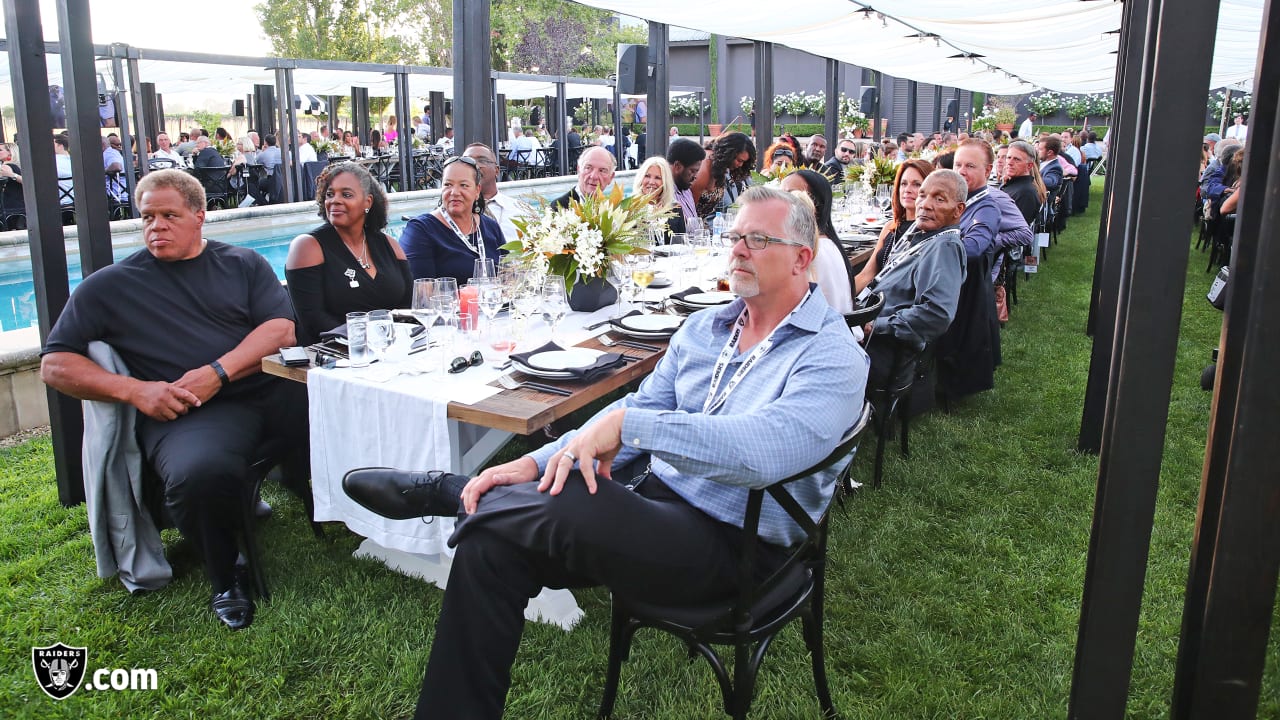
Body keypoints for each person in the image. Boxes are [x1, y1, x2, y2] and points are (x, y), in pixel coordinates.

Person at [343, 184, 867, 719]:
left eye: (756, 239)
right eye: (735, 236)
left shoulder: (831, 356)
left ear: (803, 258)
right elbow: (639, 405)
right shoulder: (708, 327)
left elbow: (762, 454)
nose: (736, 249)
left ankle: (450, 491)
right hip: (654, 506)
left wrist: (632, 426)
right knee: (491, 546)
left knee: (575, 501)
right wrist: (532, 462)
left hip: (739, 548)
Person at [39, 169, 307, 630]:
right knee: (199, 473)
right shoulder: (110, 286)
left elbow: (280, 330)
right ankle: (226, 574)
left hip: (269, 389)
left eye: (168, 215)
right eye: (146, 217)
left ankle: (369, 517)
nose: (155, 226)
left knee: (355, 409)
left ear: (200, 216)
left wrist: (217, 372)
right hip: (192, 413)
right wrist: (135, 390)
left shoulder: (243, 264)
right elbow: (55, 363)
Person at [861, 170, 968, 392]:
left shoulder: (944, 246)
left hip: (882, 352)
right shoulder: (924, 236)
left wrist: (875, 326)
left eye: (939, 199)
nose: (925, 204)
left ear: (958, 210)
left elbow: (936, 314)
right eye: (922, 195)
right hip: (870, 335)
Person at [285, 163, 411, 345]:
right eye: (330, 194)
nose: (335, 200)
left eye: (346, 194)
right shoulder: (307, 247)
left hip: (392, 347)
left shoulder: (390, 246)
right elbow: (314, 320)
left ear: (367, 202)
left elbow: (408, 305)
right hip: (334, 355)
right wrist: (366, 341)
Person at [400, 156, 505, 283]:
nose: (454, 192)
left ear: (477, 191)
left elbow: (509, 276)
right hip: (448, 303)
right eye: (448, 184)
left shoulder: (490, 227)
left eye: (464, 185)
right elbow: (421, 293)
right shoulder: (420, 230)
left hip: (493, 302)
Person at [780, 170, 854, 314]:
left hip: (825, 332)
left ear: (814, 204)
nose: (781, 202)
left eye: (791, 195)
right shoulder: (829, 243)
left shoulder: (808, 253)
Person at [854, 158, 933, 294]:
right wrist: (836, 299)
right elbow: (866, 275)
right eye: (903, 184)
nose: (907, 190)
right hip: (876, 300)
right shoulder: (890, 227)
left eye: (916, 184)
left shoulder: (930, 232)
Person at [463, 143, 522, 246]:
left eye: (482, 160)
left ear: (497, 170)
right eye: (468, 161)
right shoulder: (449, 215)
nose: (475, 165)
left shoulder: (521, 210)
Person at [690, 131, 755, 219]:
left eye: (744, 162)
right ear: (729, 154)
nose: (740, 165)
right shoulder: (704, 166)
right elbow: (689, 210)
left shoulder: (720, 166)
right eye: (739, 161)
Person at [550, 146, 616, 209]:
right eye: (588, 168)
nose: (594, 176)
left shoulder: (613, 209)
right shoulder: (559, 207)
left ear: (611, 177)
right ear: (578, 170)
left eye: (602, 171)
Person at [631, 156, 681, 236]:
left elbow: (682, 243)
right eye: (647, 176)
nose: (651, 182)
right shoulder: (630, 208)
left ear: (665, 182)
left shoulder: (675, 208)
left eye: (658, 178)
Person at [1001, 141, 1046, 226]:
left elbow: (1016, 231)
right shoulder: (1014, 185)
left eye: (1016, 159)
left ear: (1029, 166)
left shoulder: (1025, 193)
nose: (1010, 163)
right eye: (1008, 157)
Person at [665, 138, 706, 231]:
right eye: (692, 171)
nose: (695, 176)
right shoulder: (663, 194)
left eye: (697, 172)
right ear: (677, 166)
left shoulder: (686, 190)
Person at [55, 133, 74, 208]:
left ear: (60, 145)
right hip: (75, 201)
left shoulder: (53, 161)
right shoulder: (75, 161)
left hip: (57, 203)